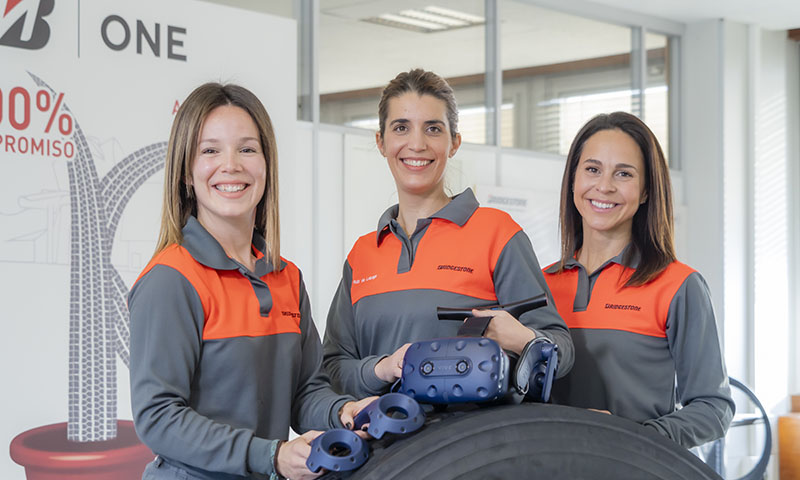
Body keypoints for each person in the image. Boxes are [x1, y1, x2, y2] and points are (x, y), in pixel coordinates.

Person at [129, 82, 372, 480]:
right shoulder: (171, 279)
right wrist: (271, 456)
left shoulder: (286, 277)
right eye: (210, 150)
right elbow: (158, 418)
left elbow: (305, 392)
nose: (232, 165)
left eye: (247, 149)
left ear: (266, 164)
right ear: (186, 172)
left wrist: (341, 411)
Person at [323, 69, 574, 398]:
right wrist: (381, 368)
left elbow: (562, 351)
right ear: (381, 142)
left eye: (433, 129)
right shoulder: (362, 255)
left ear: (454, 142)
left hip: (472, 445)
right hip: (383, 443)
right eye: (401, 128)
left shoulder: (497, 234)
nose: (417, 144)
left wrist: (524, 339)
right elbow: (333, 369)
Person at [543, 111, 734, 448]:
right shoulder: (539, 285)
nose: (604, 186)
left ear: (646, 191)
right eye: (592, 169)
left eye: (624, 173)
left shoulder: (678, 285)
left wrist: (636, 437)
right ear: (573, 180)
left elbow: (714, 409)